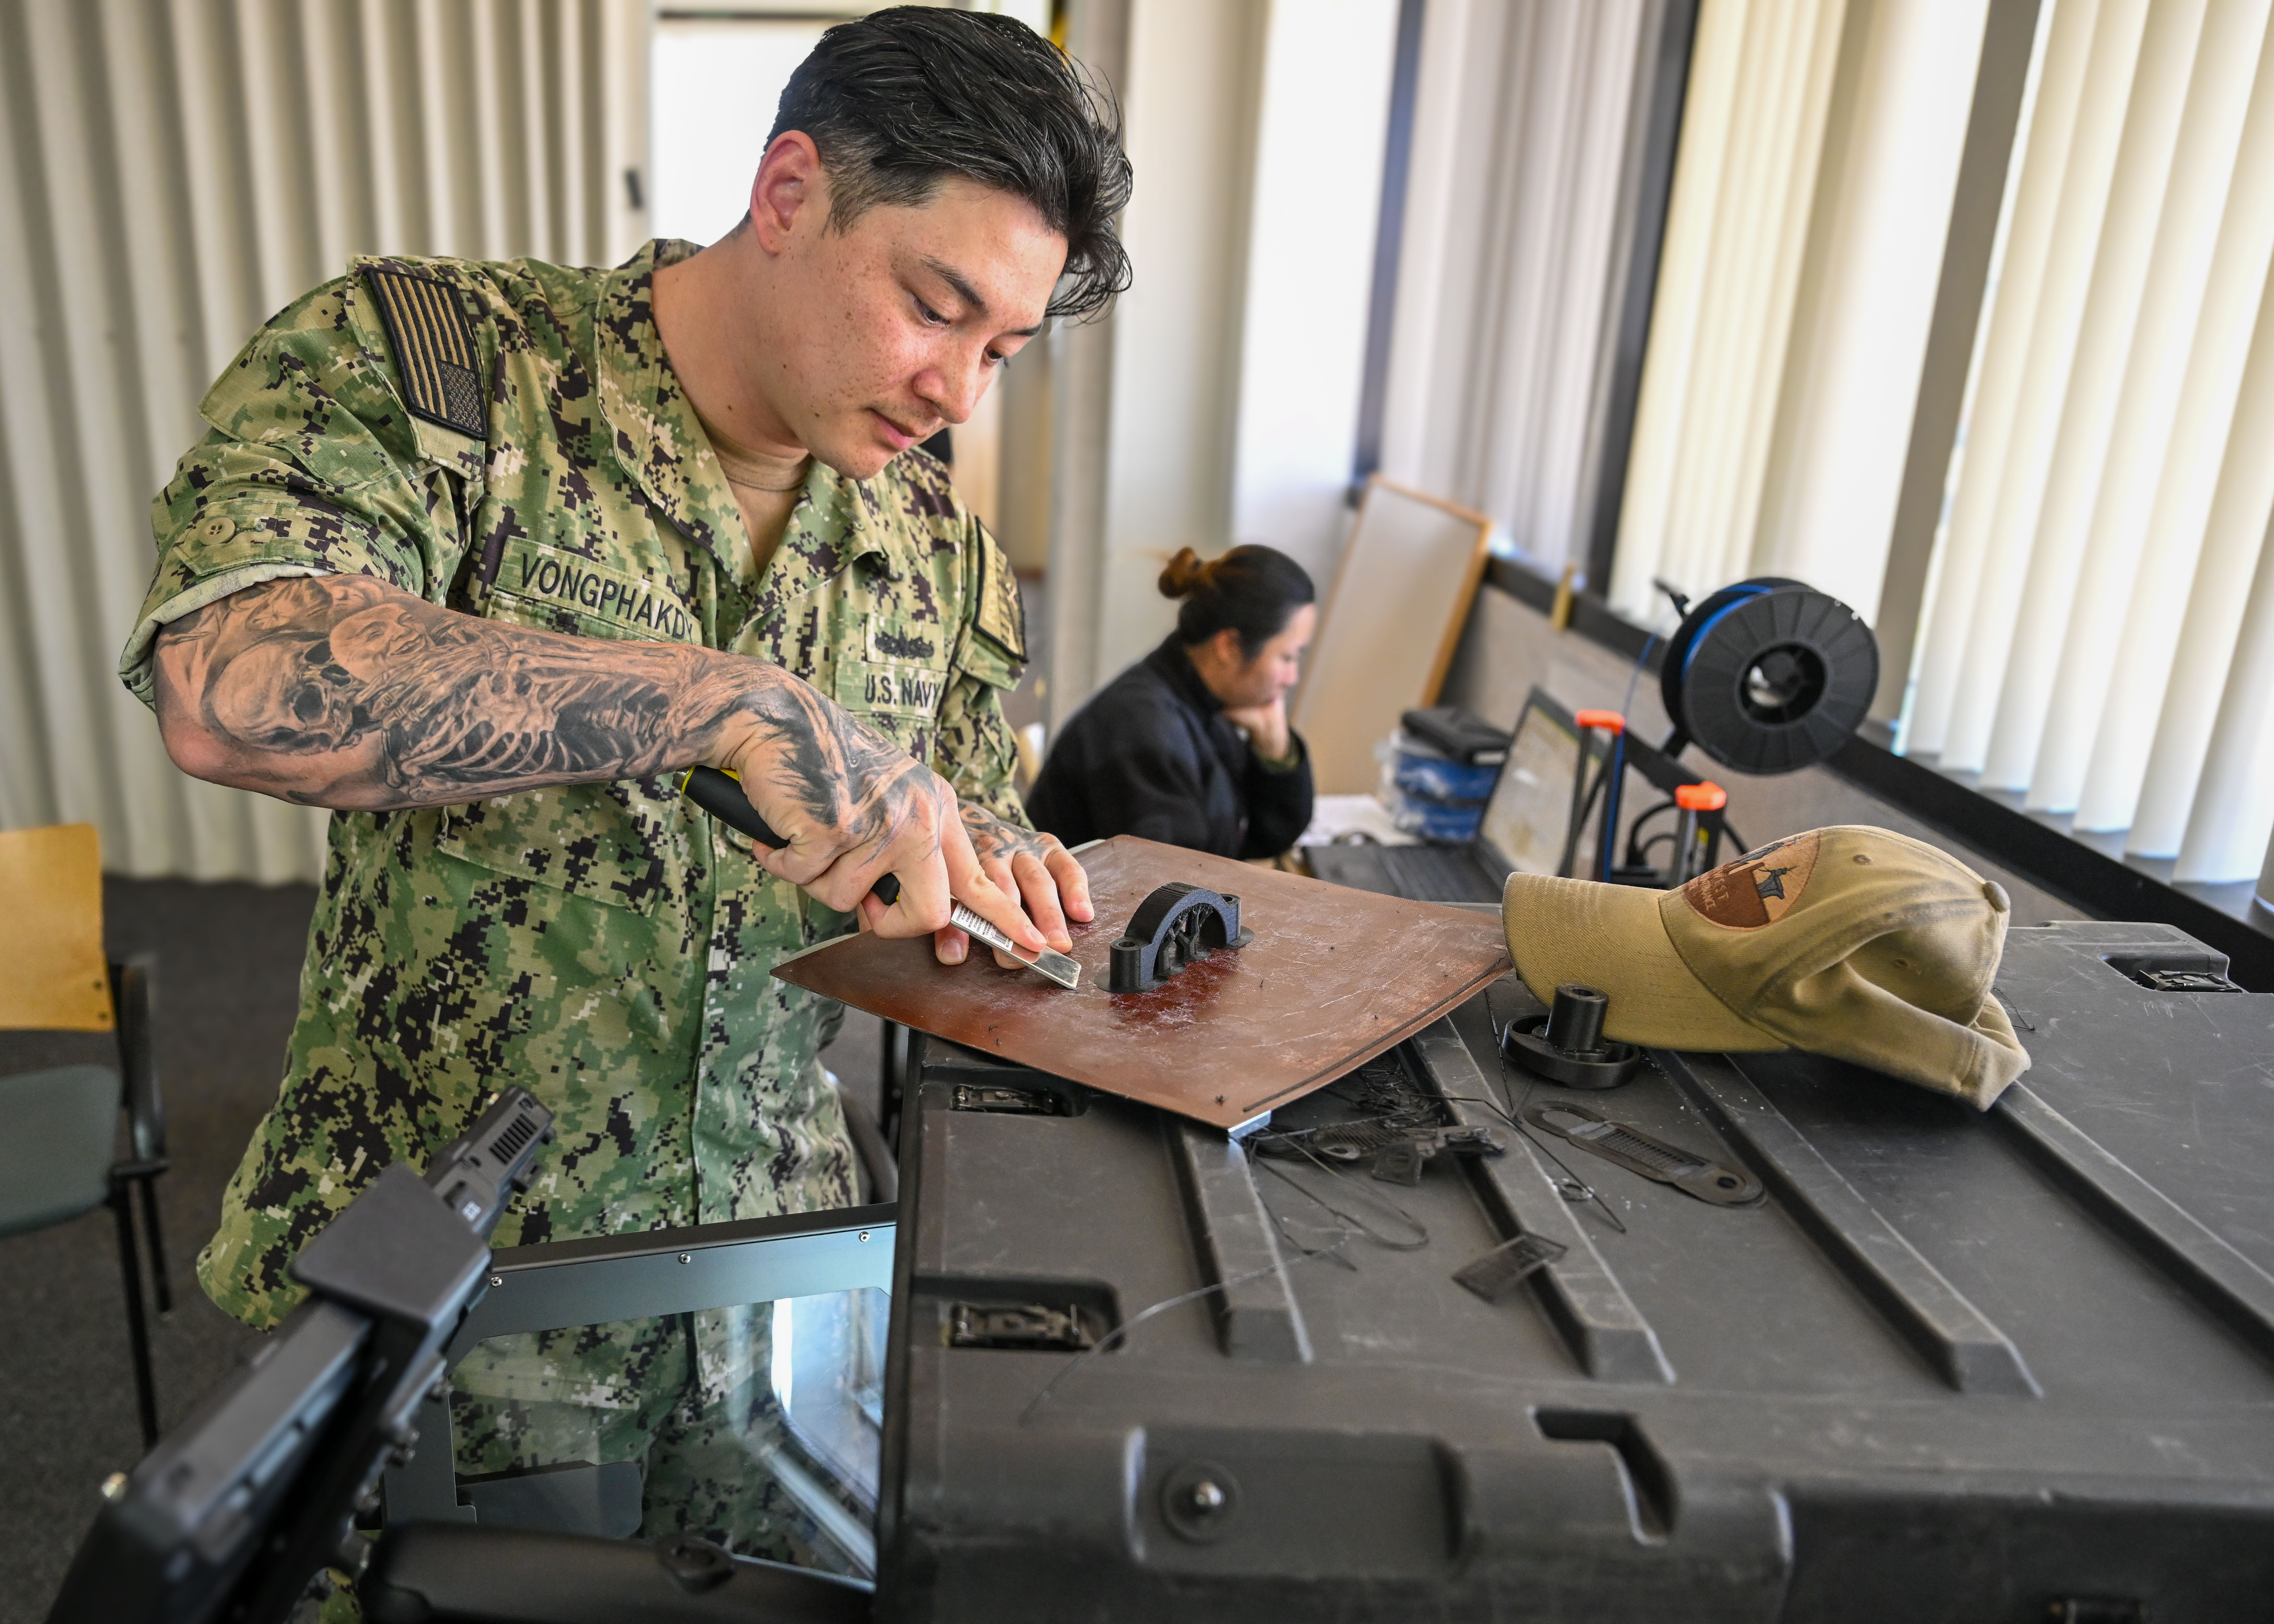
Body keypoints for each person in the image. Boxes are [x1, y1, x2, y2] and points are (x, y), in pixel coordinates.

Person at [117, 7, 1127, 1570]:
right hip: (459, 1296)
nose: (959, 395)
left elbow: (950, 806)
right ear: (789, 193)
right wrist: (716, 703)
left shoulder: (934, 548)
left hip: (769, 1308)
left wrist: (985, 857)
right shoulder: (440, 368)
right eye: (937, 310)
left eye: (1002, 349)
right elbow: (233, 681)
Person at [1027, 544, 1316, 858]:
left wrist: (1276, 751)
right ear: (1229, 646)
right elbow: (1173, 893)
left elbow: (1258, 839)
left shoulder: (1205, 702)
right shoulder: (1144, 732)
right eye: (1288, 657)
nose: (1292, 677)